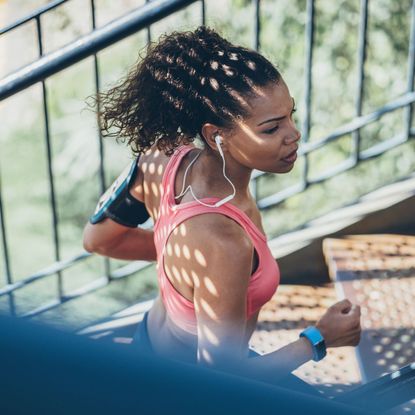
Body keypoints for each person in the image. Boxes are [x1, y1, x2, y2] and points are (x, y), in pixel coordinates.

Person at [83, 26, 361, 396]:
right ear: (217, 135)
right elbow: (221, 381)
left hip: (147, 346)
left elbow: (100, 237)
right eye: (271, 128)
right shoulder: (224, 244)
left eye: (291, 115)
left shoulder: (160, 158)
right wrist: (318, 338)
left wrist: (187, 265)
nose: (293, 135)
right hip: (184, 392)